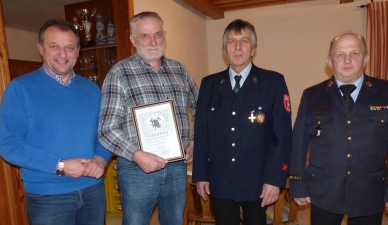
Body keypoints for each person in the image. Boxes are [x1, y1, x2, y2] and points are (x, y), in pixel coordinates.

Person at [0, 19, 112, 225]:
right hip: (48, 197)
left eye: (69, 47)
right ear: (41, 48)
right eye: (54, 47)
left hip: (93, 190)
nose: (63, 54)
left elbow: (104, 134)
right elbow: (8, 145)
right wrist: (59, 166)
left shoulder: (92, 90)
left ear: (78, 51)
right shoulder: (20, 89)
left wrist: (100, 159)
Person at [98, 11, 198, 225]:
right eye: (145, 36)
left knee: (175, 221)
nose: (153, 41)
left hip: (176, 166)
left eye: (158, 34)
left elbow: (202, 109)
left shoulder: (180, 71)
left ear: (164, 35)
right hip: (136, 170)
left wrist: (193, 140)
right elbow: (107, 129)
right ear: (133, 40)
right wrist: (137, 155)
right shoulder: (119, 74)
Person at [289, 32, 388, 225]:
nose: (347, 60)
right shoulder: (312, 95)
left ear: (365, 58)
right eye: (340, 54)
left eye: (354, 53)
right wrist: (298, 185)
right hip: (324, 192)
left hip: (370, 192)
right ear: (330, 62)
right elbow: (298, 145)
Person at [192, 19, 292, 225]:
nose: (237, 47)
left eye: (244, 41)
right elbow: (201, 134)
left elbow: (282, 137)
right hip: (220, 179)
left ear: (253, 48)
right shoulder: (209, 84)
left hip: (258, 180)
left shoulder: (273, 82)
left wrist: (275, 180)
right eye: (231, 41)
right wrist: (200, 174)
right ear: (224, 49)